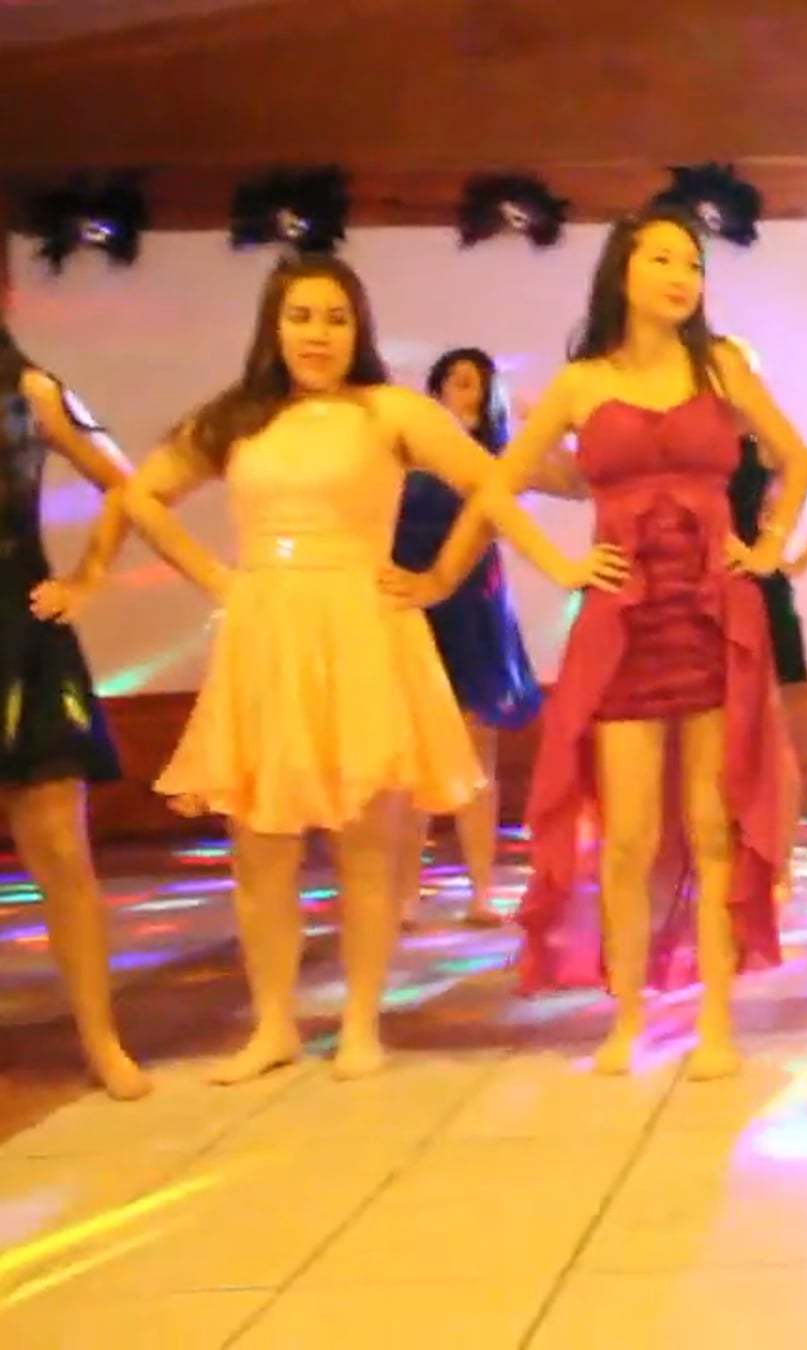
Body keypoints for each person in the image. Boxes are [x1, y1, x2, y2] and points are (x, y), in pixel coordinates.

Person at [400, 204, 807, 1077]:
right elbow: (499, 483)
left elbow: (799, 461)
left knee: (710, 825)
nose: (680, 275)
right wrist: (560, 563)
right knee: (625, 834)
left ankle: (716, 1024)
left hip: (712, 614)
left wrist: (770, 547)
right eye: (662, 258)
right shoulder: (583, 382)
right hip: (623, 622)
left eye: (692, 263)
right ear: (622, 270)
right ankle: (626, 1017)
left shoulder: (721, 366)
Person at [122, 253, 580, 1083]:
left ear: (358, 328)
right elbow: (140, 494)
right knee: (261, 844)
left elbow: (492, 483)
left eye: (336, 317)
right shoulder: (238, 417)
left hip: (365, 626)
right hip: (268, 634)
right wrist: (217, 578)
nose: (318, 334)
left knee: (367, 840)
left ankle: (362, 1024)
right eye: (301, 316)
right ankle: (272, 1025)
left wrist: (445, 576)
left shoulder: (389, 410)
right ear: (273, 327)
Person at [0, 320, 147, 1098]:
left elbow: (126, 483)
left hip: (20, 632)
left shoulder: (33, 392)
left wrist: (86, 579)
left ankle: (101, 1040)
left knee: (61, 847)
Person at [388, 347, 553, 929]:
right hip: (414, 603)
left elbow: (541, 484)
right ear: (435, 389)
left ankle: (483, 891)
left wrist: (530, 414)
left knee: (477, 748)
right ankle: (404, 895)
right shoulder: (404, 449)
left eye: (480, 385)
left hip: (475, 604)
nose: (470, 394)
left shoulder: (494, 458)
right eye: (458, 382)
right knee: (414, 756)